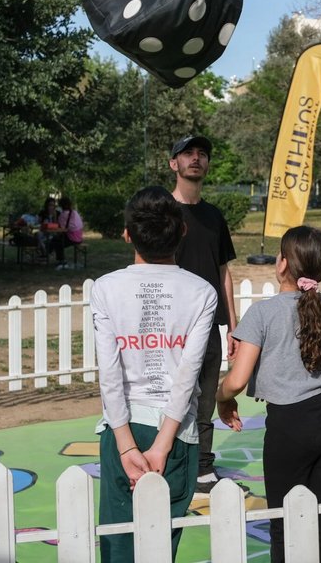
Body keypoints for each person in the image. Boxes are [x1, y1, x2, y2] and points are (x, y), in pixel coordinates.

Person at [91, 186, 218, 562]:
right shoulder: (202, 292)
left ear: (127, 234)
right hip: (177, 434)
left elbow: (109, 373)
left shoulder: (105, 288)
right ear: (182, 231)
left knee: (118, 546)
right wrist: (162, 445)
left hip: (121, 427)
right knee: (162, 546)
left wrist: (127, 445)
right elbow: (187, 377)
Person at [216, 225, 321, 563]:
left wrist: (221, 398)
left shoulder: (263, 312)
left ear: (282, 264)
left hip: (290, 423)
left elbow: (237, 379)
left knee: (283, 522)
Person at [168, 135, 238, 494]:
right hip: (170, 325)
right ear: (173, 164)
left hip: (209, 325)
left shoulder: (213, 216)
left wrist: (233, 326)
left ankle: (202, 468)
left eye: (202, 154)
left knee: (206, 397)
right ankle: (166, 460)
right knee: (170, 395)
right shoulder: (162, 212)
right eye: (188, 154)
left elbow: (223, 270)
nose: (196, 159)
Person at [50, 196, 83, 270]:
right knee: (57, 240)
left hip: (72, 238)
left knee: (57, 242)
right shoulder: (74, 212)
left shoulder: (63, 215)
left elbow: (61, 228)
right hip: (79, 237)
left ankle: (61, 260)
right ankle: (57, 258)